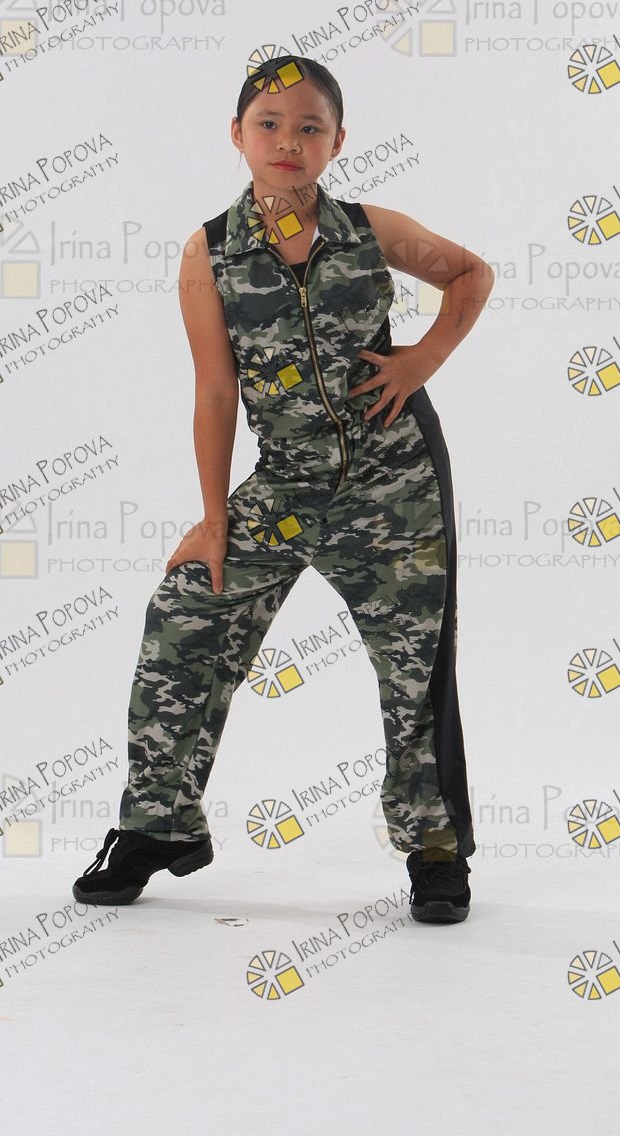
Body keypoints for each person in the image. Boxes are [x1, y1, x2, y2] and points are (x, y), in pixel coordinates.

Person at [73, 55, 495, 924]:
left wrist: (421, 360)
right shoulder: (210, 252)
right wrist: (214, 518)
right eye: (269, 124)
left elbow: (470, 273)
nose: (288, 141)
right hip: (288, 485)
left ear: (338, 141)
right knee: (186, 612)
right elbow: (215, 390)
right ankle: (157, 826)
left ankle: (434, 848)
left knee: (415, 666)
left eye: (310, 127)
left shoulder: (373, 230)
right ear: (238, 135)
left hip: (396, 485)